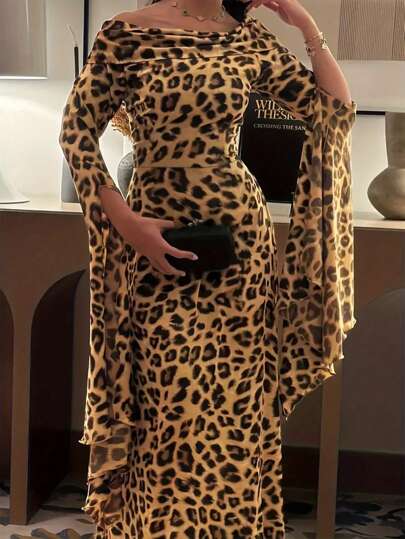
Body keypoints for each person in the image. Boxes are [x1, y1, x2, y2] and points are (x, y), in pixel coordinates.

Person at [58, 0, 357, 537]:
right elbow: (76, 129)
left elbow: (333, 110)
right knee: (165, 401)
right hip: (153, 233)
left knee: (236, 404)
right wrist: (123, 219)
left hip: (241, 245)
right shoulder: (126, 33)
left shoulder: (247, 36)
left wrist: (306, 26)